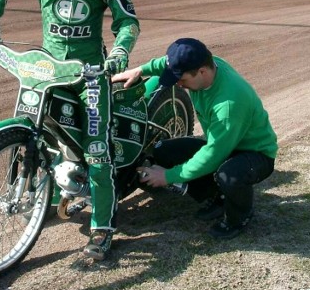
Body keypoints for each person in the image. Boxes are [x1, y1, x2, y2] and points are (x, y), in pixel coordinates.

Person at [0, 0, 147, 260]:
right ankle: (49, 192)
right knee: (34, 127)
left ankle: (102, 227)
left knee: (97, 150)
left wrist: (120, 52)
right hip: (45, 69)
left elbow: (128, 22)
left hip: (91, 75)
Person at [112, 38, 278, 239]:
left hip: (255, 153)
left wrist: (168, 176)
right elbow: (164, 63)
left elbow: (213, 155)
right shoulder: (206, 64)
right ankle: (218, 196)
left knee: (228, 175)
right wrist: (140, 70)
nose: (179, 85)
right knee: (163, 149)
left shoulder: (228, 104)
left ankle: (239, 216)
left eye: (182, 80)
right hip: (223, 143)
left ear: (202, 72)